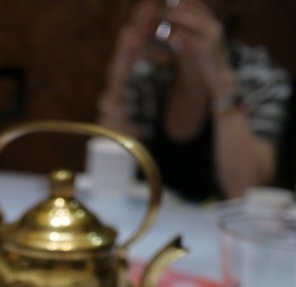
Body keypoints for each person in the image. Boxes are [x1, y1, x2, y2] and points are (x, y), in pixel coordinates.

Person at [96, 0, 293, 201]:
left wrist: (220, 82)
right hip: (151, 214)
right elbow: (109, 175)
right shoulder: (151, 72)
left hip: (223, 220)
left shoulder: (259, 78)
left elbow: (244, 192)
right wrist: (119, 81)